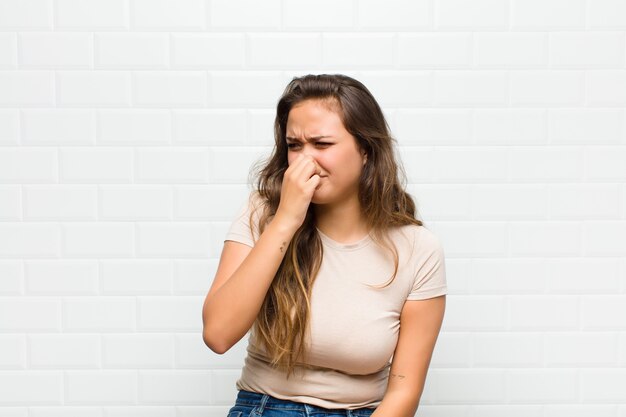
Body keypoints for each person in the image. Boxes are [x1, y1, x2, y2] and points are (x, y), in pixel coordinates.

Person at [202, 73, 447, 417]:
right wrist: (286, 219)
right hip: (264, 408)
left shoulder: (418, 248)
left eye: (322, 144)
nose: (304, 161)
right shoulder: (262, 213)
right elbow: (218, 333)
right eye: (294, 145)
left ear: (365, 150)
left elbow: (403, 393)